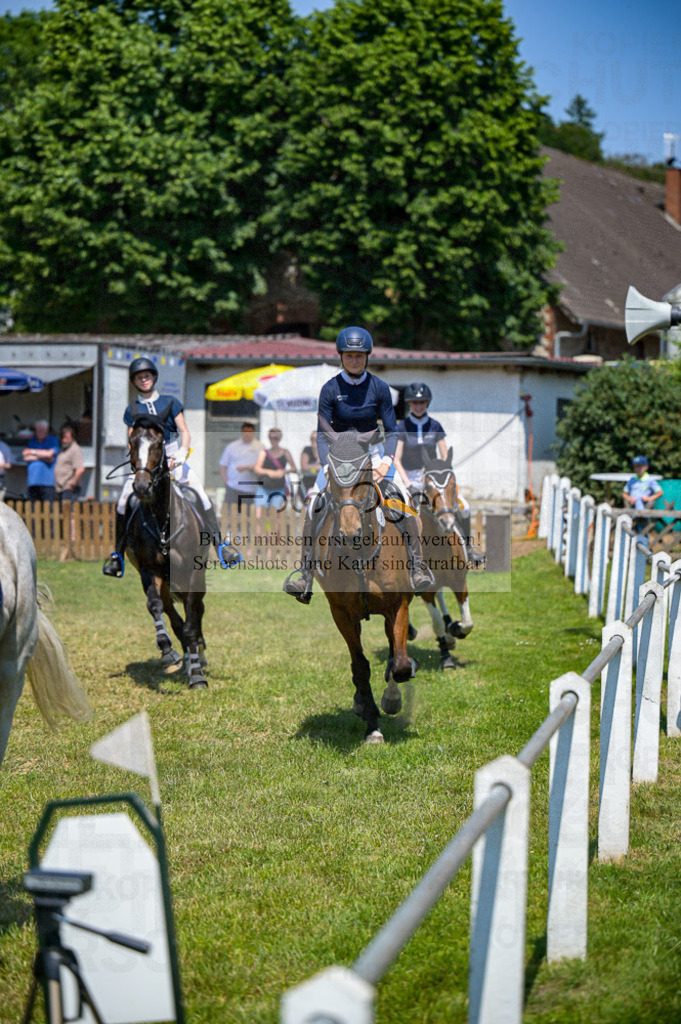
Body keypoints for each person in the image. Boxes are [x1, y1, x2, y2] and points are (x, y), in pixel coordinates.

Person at [283, 326, 434, 602]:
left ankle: (416, 569)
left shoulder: (379, 387)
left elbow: (392, 430)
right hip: (338, 455)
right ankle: (305, 574)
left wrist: (386, 463)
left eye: (360, 356)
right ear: (342, 356)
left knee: (404, 501)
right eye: (350, 356)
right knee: (313, 503)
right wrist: (327, 465)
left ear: (367, 357)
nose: (355, 360)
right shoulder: (330, 389)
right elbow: (322, 432)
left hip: (372, 452)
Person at [103, 357, 232, 577]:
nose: (144, 380)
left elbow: (185, 431)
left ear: (153, 377)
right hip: (145, 462)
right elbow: (131, 440)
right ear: (134, 381)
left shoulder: (170, 402)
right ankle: (117, 555)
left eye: (147, 376)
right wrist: (137, 464)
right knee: (124, 501)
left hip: (172, 455)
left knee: (201, 494)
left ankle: (221, 547)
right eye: (139, 377)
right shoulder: (132, 408)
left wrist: (183, 452)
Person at [393, 383, 447, 491]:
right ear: (409, 403)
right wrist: (408, 484)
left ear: (427, 402)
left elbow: (445, 457)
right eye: (415, 403)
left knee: (464, 507)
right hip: (407, 476)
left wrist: (442, 475)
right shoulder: (402, 426)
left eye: (422, 402)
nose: (418, 407)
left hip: (432, 475)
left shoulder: (435, 426)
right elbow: (396, 459)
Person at [219, 422, 263, 511]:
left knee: (247, 515)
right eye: (245, 431)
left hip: (250, 488)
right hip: (233, 486)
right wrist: (226, 481)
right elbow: (222, 465)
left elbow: (262, 466)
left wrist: (247, 467)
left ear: (253, 432)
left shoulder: (260, 447)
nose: (247, 434)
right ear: (241, 432)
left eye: (250, 432)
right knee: (230, 512)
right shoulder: (232, 446)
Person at [253, 429, 298, 510]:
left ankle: (269, 524)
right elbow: (257, 469)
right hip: (263, 488)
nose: (273, 440)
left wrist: (283, 472)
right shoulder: (264, 452)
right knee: (260, 512)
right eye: (271, 438)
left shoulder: (285, 452)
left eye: (275, 438)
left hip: (279, 488)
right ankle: (263, 523)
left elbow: (294, 468)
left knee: (274, 513)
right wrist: (270, 472)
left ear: (280, 439)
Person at [622, 455, 663, 535]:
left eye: (639, 466)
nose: (637, 469)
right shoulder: (632, 480)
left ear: (646, 467)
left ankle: (643, 545)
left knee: (643, 532)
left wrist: (649, 499)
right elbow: (624, 493)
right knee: (630, 533)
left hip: (644, 511)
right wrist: (629, 499)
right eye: (635, 466)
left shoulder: (650, 480)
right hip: (632, 511)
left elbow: (660, 492)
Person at [22, 420, 59, 502]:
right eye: (38, 430)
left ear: (47, 430)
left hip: (47, 483)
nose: (39, 432)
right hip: (33, 482)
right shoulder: (33, 441)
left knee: (48, 510)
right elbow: (25, 456)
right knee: (32, 511)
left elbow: (50, 455)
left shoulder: (53, 440)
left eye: (42, 430)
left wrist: (32, 452)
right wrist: (43, 456)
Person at [54, 424, 85, 502]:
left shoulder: (75, 449)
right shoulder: (64, 449)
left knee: (68, 512)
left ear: (73, 437)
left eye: (67, 438)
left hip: (69, 489)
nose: (64, 440)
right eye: (63, 438)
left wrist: (72, 484)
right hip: (61, 488)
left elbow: (80, 469)